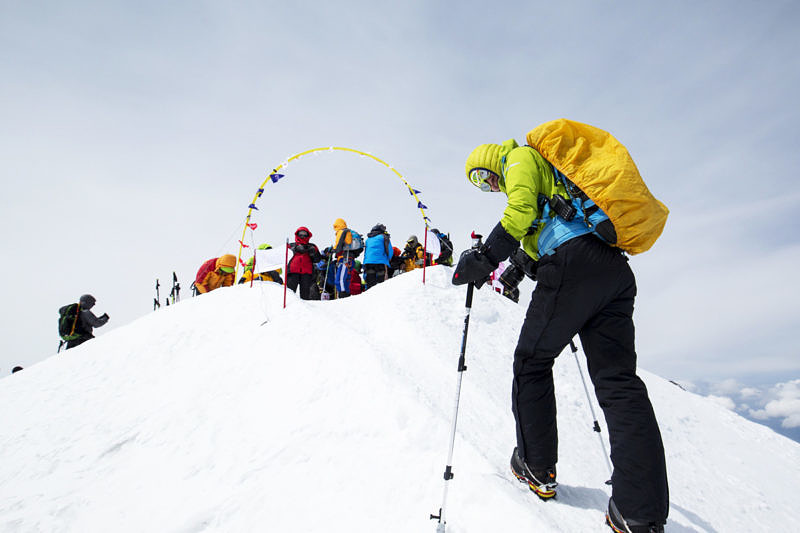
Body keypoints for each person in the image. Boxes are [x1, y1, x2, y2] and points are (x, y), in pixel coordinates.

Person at [455, 139, 668, 532]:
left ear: (490, 162)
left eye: (485, 179)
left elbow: (519, 212)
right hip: (613, 271)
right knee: (619, 382)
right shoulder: (552, 178)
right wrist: (517, 268)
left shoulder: (516, 157)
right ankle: (640, 511)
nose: (490, 187)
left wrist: (484, 257)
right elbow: (548, 222)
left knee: (532, 361)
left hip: (571, 265)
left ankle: (536, 467)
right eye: (482, 187)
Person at [287, 227, 322, 300]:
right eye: (301, 234)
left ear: (308, 236)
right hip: (293, 271)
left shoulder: (312, 246)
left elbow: (317, 259)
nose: (303, 236)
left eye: (305, 234)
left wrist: (313, 253)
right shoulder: (291, 245)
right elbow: (285, 255)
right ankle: (289, 308)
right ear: (297, 235)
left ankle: (304, 309)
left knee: (305, 294)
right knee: (290, 293)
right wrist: (295, 249)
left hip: (306, 272)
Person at [363, 223, 393, 289]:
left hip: (368, 263)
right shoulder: (384, 237)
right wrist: (389, 260)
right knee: (381, 284)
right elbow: (389, 250)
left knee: (370, 283)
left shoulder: (368, 239)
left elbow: (366, 253)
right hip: (380, 262)